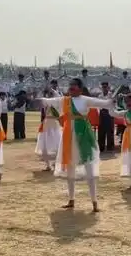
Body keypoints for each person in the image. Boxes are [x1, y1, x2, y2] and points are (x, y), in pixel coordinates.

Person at [39, 78, 113, 212]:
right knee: (70, 167)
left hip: (83, 135)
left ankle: (94, 202)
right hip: (68, 137)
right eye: (70, 85)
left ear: (80, 88)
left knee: (89, 167)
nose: (71, 88)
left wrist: (113, 98)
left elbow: (105, 103)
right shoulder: (65, 100)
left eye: (74, 85)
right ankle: (71, 200)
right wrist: (41, 99)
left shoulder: (85, 100)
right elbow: (50, 101)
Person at [36, 87, 61, 171]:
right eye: (49, 94)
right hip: (46, 123)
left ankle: (55, 163)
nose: (49, 95)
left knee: (56, 144)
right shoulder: (47, 102)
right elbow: (39, 99)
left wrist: (52, 90)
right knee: (44, 145)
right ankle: (48, 165)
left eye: (51, 94)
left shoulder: (56, 102)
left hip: (54, 123)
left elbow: (58, 97)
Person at [98, 82, 115, 153]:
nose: (104, 88)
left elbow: (113, 103)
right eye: (103, 87)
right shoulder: (100, 96)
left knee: (110, 130)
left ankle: (110, 147)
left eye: (105, 87)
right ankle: (101, 147)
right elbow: (99, 105)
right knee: (101, 130)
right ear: (102, 88)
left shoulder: (111, 95)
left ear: (108, 87)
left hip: (109, 113)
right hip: (102, 113)